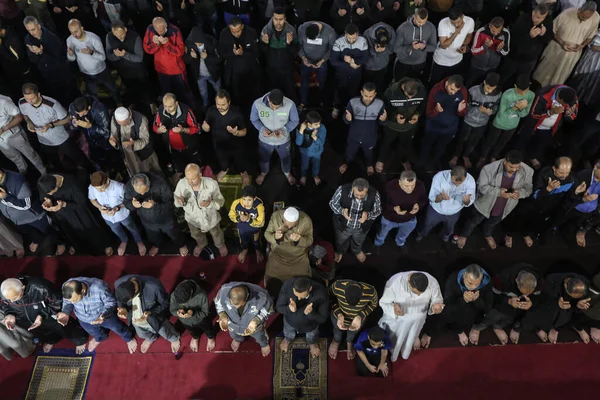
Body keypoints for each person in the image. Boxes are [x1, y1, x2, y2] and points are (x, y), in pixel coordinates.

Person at [457, 151, 534, 249]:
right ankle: (464, 235)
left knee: (492, 223)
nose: (514, 170)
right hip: (485, 203)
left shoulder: (528, 171)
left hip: (506, 206)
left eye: (517, 167)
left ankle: (487, 234)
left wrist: (520, 194)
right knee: (473, 221)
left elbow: (528, 189)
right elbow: (482, 187)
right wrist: (498, 192)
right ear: (505, 161)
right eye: (511, 167)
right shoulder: (489, 169)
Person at [0, 277, 88, 353]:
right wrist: (10, 314)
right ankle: (52, 340)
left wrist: (42, 315)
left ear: (23, 288)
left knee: (62, 325)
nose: (11, 301)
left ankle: (79, 340)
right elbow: (5, 306)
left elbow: (57, 302)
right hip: (26, 318)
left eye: (14, 298)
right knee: (41, 331)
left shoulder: (40, 287)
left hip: (48, 313)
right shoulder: (5, 292)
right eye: (9, 299)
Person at [19, 83, 92, 172]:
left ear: (38, 94)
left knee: (76, 156)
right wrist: (29, 123)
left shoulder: (52, 104)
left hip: (61, 137)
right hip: (43, 139)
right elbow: (25, 114)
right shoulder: (22, 102)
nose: (29, 101)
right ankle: (62, 175)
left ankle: (92, 171)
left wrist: (51, 125)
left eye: (32, 98)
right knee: (54, 160)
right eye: (27, 99)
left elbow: (67, 119)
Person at [38, 173, 114, 256]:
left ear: (56, 184)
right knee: (69, 230)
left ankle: (105, 244)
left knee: (91, 229)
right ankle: (76, 245)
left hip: (78, 212)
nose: (52, 194)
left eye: (52, 192)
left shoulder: (73, 185)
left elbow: (82, 203)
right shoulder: (45, 182)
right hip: (62, 214)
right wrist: (48, 200)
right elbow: (45, 195)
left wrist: (64, 204)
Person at [516, 157, 585, 246]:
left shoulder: (572, 179)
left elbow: (570, 198)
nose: (564, 176)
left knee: (546, 221)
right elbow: (535, 195)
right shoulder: (544, 174)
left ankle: (538, 233)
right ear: (554, 168)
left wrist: (576, 192)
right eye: (561, 172)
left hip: (553, 206)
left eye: (567, 172)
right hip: (536, 204)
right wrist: (548, 189)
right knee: (527, 217)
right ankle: (524, 233)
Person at [58, 278, 138, 354]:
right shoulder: (67, 286)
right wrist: (65, 313)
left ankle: (129, 338)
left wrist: (103, 316)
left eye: (75, 300)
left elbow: (112, 303)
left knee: (118, 328)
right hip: (83, 318)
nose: (73, 303)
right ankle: (99, 338)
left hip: (103, 315)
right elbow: (68, 302)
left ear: (83, 290)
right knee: (94, 332)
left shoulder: (100, 288)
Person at [421, 264, 493, 347]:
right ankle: (452, 330)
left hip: (473, 312)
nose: (473, 287)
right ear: (464, 275)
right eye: (470, 283)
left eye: (477, 284)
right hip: (455, 309)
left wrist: (476, 300)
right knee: (442, 312)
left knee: (486, 314)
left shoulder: (486, 281)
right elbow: (447, 304)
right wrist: (464, 300)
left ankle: (471, 328)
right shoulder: (453, 279)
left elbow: (488, 306)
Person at [377, 271, 443, 360]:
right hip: (399, 322)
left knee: (411, 338)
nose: (419, 295)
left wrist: (435, 306)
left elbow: (437, 299)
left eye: (421, 293)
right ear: (408, 282)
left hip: (417, 322)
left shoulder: (432, 281)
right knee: (394, 343)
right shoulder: (394, 282)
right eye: (416, 292)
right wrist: (393, 309)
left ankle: (414, 339)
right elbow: (383, 303)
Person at [532, 2, 600, 87]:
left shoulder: (595, 17)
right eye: (583, 16)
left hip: (571, 56)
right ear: (579, 10)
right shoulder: (566, 14)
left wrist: (582, 45)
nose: (584, 19)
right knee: (542, 76)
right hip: (555, 50)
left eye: (587, 18)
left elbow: (591, 35)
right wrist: (562, 43)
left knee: (558, 80)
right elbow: (551, 31)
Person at [475, 263, 542, 345]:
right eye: (523, 293)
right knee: (493, 314)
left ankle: (498, 327)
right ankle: (478, 327)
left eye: (528, 294)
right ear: (516, 280)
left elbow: (539, 298)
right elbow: (492, 296)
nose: (525, 296)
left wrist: (531, 303)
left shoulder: (540, 281)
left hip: (517, 312)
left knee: (531, 312)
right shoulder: (502, 279)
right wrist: (508, 301)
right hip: (501, 304)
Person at [0, 169, 64, 255]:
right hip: (17, 220)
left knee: (50, 230)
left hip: (34, 216)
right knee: (30, 231)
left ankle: (60, 242)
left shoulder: (17, 181)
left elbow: (26, 205)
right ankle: (36, 240)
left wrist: (6, 197)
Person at [124, 173, 188, 256]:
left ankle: (181, 245)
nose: (142, 194)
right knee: (153, 236)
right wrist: (133, 205)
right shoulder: (129, 187)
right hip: (146, 219)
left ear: (149, 183)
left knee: (174, 233)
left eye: (145, 191)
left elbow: (170, 204)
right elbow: (126, 202)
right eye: (139, 192)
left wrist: (155, 205)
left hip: (165, 218)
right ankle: (157, 245)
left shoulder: (160, 184)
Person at [515, 85, 578, 169]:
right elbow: (533, 113)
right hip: (533, 124)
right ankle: (516, 158)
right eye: (564, 104)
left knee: (540, 143)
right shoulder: (544, 95)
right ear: (560, 100)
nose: (566, 106)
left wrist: (568, 114)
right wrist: (550, 112)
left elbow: (573, 116)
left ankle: (532, 156)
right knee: (523, 140)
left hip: (550, 128)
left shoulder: (572, 97)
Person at [115, 275, 181, 353]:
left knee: (165, 332)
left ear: (136, 290)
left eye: (130, 300)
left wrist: (151, 312)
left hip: (154, 318)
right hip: (136, 321)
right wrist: (122, 308)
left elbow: (165, 303)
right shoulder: (118, 283)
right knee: (142, 334)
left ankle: (174, 339)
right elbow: (120, 300)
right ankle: (150, 338)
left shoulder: (154, 287)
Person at [478, 75, 534, 167]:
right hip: (499, 122)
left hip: (512, 124)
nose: (523, 93)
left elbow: (524, 114)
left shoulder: (531, 95)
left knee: (502, 142)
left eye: (525, 90)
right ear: (515, 86)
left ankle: (494, 156)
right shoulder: (507, 94)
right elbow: (501, 113)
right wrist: (515, 107)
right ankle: (483, 157)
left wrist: (520, 109)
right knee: (490, 141)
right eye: (520, 91)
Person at [449, 73, 502, 169]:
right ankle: (455, 156)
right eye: (488, 87)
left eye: (492, 88)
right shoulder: (473, 91)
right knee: (462, 139)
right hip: (468, 120)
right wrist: (476, 109)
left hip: (482, 123)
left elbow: (495, 108)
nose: (489, 90)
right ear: (484, 82)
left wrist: (490, 112)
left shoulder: (497, 95)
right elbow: (466, 106)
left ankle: (466, 156)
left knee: (473, 141)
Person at [174, 163, 227, 257]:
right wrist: (179, 202)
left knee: (216, 233)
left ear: (200, 175)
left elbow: (221, 202)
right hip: (192, 219)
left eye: (193, 179)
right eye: (188, 178)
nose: (190, 182)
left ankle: (220, 245)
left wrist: (210, 203)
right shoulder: (182, 184)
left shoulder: (211, 184)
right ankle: (201, 244)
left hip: (210, 217)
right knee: (196, 234)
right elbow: (176, 201)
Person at [88, 171, 146, 256]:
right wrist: (99, 207)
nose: (99, 191)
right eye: (97, 189)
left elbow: (128, 201)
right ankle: (124, 240)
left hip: (123, 215)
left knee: (132, 228)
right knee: (116, 230)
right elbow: (92, 199)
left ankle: (139, 242)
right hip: (107, 217)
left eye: (102, 188)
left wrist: (117, 208)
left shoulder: (119, 187)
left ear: (107, 181)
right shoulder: (92, 187)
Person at [23, 16, 76, 107]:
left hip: (61, 72)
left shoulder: (52, 38)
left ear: (39, 26)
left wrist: (41, 53)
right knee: (57, 94)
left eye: (33, 29)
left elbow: (58, 59)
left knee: (69, 93)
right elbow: (32, 60)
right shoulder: (28, 39)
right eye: (29, 30)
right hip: (47, 74)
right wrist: (37, 54)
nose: (32, 33)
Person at [250, 89, 299, 185]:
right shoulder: (257, 104)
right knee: (264, 158)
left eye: (278, 107)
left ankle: (287, 173)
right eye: (273, 106)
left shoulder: (290, 104)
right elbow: (254, 119)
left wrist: (284, 130)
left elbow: (295, 121)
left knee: (286, 158)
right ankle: (263, 173)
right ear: (268, 99)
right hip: (265, 140)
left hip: (283, 140)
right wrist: (262, 129)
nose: (275, 109)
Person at [377, 77, 427, 173]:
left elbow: (423, 105)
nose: (410, 98)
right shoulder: (391, 91)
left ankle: (403, 159)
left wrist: (417, 114)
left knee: (405, 145)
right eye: (408, 96)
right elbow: (384, 107)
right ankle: (381, 160)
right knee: (386, 143)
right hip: (392, 125)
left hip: (409, 126)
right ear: (404, 88)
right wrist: (395, 116)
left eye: (413, 97)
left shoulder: (422, 90)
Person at [523, 273, 590, 344]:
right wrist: (556, 304)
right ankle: (538, 328)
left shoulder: (584, 283)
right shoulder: (550, 283)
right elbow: (539, 302)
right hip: (548, 306)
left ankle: (556, 328)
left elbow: (573, 308)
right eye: (571, 296)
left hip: (565, 313)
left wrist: (578, 305)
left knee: (574, 313)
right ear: (565, 285)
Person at [66, 19, 121, 105]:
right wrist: (71, 54)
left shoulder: (94, 38)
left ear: (82, 28)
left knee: (113, 88)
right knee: (93, 93)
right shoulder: (70, 40)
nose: (74, 35)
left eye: (76, 31)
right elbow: (72, 59)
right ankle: (98, 108)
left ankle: (119, 103)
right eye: (71, 32)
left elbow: (103, 57)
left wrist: (91, 52)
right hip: (86, 73)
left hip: (101, 70)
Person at [419, 75, 468, 169]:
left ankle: (433, 163)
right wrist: (436, 110)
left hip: (449, 128)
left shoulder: (462, 91)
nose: (453, 93)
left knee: (441, 148)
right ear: (447, 83)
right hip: (433, 126)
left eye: (456, 91)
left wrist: (460, 110)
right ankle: (421, 163)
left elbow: (463, 113)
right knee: (426, 145)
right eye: (451, 89)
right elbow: (428, 112)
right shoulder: (436, 89)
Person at [499, 5, 552, 89]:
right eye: (537, 17)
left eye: (542, 18)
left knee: (521, 83)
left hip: (530, 60)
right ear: (533, 12)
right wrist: (529, 36)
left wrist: (543, 35)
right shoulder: (522, 20)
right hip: (515, 57)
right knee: (504, 78)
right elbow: (514, 40)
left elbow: (548, 38)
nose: (539, 20)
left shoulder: (547, 21)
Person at [201, 90, 249, 185]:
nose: (220, 107)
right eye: (218, 104)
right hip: (219, 144)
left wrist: (236, 132)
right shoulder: (211, 110)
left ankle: (243, 173)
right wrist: (205, 127)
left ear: (229, 102)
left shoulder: (236, 113)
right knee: (222, 161)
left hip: (235, 145)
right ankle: (224, 170)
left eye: (223, 104)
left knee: (240, 162)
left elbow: (244, 132)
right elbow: (205, 126)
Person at [215, 281, 274, 357]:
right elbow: (218, 303)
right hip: (233, 326)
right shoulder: (223, 291)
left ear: (246, 298)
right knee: (234, 335)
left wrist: (257, 320)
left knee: (260, 337)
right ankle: (238, 339)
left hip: (254, 327)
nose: (234, 307)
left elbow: (269, 310)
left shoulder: (262, 296)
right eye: (231, 304)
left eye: (238, 305)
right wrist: (222, 314)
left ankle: (264, 344)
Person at [417, 166, 476, 242]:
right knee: (426, 225)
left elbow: (469, 201)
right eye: (454, 182)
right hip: (436, 210)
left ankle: (445, 236)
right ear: (450, 174)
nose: (457, 185)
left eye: (460, 183)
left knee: (449, 229)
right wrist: (441, 197)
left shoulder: (470, 181)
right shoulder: (439, 177)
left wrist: (466, 201)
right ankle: (421, 234)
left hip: (454, 212)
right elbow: (432, 197)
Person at [330, 178, 381, 263]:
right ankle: (340, 251)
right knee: (340, 241)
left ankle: (356, 251)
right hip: (343, 225)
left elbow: (378, 211)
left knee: (358, 241)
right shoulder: (342, 189)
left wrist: (368, 215)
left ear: (367, 190)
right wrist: (342, 211)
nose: (359, 197)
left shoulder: (375, 194)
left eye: (362, 195)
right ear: (352, 188)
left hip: (361, 227)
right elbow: (332, 203)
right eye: (357, 194)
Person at [340, 82, 386, 176]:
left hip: (370, 137)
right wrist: (347, 119)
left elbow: (383, 122)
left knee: (369, 153)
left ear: (375, 94)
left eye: (371, 96)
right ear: (361, 92)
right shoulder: (353, 102)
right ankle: (346, 163)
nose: (368, 98)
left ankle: (369, 165)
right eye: (366, 95)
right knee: (350, 151)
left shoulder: (380, 103)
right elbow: (345, 119)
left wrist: (383, 120)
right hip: (354, 136)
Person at [276, 276, 329, 358]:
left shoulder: (321, 293)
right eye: (296, 295)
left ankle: (312, 343)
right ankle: (287, 339)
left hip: (310, 325)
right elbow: (279, 307)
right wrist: (289, 308)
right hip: (290, 321)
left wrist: (311, 313)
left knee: (311, 336)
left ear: (310, 289)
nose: (299, 299)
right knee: (288, 332)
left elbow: (323, 318)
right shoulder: (288, 285)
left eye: (302, 296)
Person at [143, 17, 192, 106]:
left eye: (161, 31)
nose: (159, 33)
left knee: (184, 94)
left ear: (166, 26)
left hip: (177, 70)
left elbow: (180, 52)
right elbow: (147, 49)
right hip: (162, 70)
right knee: (167, 94)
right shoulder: (150, 29)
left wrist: (167, 44)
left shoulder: (175, 31)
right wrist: (156, 44)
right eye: (157, 31)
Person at [374, 171, 427, 252]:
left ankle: (400, 243)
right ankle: (378, 243)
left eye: (413, 185)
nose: (410, 189)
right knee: (382, 233)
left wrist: (418, 206)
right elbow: (382, 203)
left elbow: (423, 199)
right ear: (400, 182)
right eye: (406, 186)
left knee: (404, 234)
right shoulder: (389, 187)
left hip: (409, 219)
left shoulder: (420, 185)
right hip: (390, 219)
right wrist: (394, 209)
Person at [106, 20, 151, 111]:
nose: (119, 37)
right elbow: (109, 56)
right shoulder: (109, 37)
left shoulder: (135, 37)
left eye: (121, 35)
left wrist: (125, 55)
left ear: (125, 29)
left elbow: (139, 58)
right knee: (130, 88)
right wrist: (116, 55)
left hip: (137, 70)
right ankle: (134, 104)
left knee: (144, 87)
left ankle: (149, 104)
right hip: (123, 70)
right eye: (116, 35)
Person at [328, 279, 378, 360]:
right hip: (338, 316)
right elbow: (330, 298)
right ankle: (336, 340)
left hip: (358, 320)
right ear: (344, 293)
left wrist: (360, 316)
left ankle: (349, 342)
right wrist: (339, 314)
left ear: (362, 294)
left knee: (353, 333)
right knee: (337, 330)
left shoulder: (371, 291)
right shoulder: (337, 286)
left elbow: (374, 304)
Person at [153, 93, 200, 175]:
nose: (167, 109)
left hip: (189, 147)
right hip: (173, 149)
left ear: (176, 103)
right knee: (179, 168)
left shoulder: (186, 111)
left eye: (170, 106)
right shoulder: (160, 111)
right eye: (165, 106)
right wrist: (159, 130)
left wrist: (183, 130)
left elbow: (196, 129)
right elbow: (155, 127)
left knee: (195, 168)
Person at [264, 206, 314, 284]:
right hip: (278, 255)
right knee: (272, 282)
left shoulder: (306, 220)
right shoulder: (276, 216)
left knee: (302, 283)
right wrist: (275, 237)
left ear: (297, 221)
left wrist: (299, 240)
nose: (289, 227)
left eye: (292, 225)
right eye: (287, 225)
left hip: (298, 257)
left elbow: (310, 241)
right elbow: (267, 234)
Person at [219, 17, 260, 108]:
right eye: (233, 31)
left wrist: (243, 53)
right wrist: (232, 53)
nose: (236, 34)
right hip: (233, 70)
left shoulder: (251, 32)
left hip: (250, 69)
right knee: (236, 94)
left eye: (238, 31)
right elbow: (221, 52)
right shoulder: (224, 34)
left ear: (242, 26)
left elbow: (257, 52)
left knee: (252, 92)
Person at [69, 95, 117, 172]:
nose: (80, 116)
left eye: (83, 113)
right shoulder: (72, 107)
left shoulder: (100, 110)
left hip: (102, 138)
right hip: (89, 137)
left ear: (89, 108)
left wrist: (91, 126)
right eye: (78, 113)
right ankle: (100, 165)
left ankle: (112, 166)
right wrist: (74, 125)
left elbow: (106, 131)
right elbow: (72, 123)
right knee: (95, 153)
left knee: (109, 153)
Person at [110, 107, 162, 177]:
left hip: (143, 153)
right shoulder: (114, 118)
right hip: (127, 154)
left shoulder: (141, 119)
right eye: (119, 124)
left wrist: (134, 143)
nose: (121, 126)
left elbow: (145, 140)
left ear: (128, 118)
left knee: (151, 173)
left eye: (124, 124)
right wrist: (113, 140)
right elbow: (114, 133)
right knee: (134, 172)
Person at [260, 8, 298, 102]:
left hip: (287, 69)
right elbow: (262, 52)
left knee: (290, 92)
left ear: (285, 19)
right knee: (273, 93)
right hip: (272, 69)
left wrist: (289, 44)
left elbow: (295, 51)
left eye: (280, 19)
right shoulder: (265, 30)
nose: (278, 22)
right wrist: (265, 44)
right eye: (276, 19)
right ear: (272, 18)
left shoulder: (291, 31)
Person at [330, 23, 368, 119]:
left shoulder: (363, 40)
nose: (351, 40)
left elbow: (365, 58)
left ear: (357, 34)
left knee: (353, 91)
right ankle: (336, 107)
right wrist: (349, 64)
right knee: (339, 91)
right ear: (345, 34)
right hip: (341, 73)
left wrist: (352, 61)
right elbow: (333, 61)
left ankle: (351, 110)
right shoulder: (339, 41)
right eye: (349, 38)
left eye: (354, 38)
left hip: (356, 73)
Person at [0, 94, 45, 175]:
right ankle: (23, 172)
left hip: (14, 135)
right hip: (1, 141)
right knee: (14, 157)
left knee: (31, 155)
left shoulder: (3, 102)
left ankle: (43, 172)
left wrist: (3, 129)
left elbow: (19, 116)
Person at [558, 161, 600, 247]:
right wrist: (583, 198)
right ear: (595, 167)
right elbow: (568, 195)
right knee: (568, 236)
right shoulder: (581, 176)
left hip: (591, 211)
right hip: (575, 207)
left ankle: (582, 231)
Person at [298, 21, 337, 110]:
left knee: (322, 83)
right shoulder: (301, 28)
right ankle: (303, 102)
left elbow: (332, 49)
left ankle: (322, 101)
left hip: (322, 61)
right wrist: (303, 58)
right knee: (304, 82)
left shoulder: (330, 32)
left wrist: (322, 60)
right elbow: (299, 45)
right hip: (306, 60)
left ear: (319, 33)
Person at [170, 279, 217, 352]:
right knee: (192, 331)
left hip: (202, 319)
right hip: (185, 321)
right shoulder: (174, 294)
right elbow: (172, 310)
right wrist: (177, 312)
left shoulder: (201, 295)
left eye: (184, 303)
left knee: (209, 329)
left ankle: (210, 338)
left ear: (191, 292)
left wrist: (193, 313)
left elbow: (205, 313)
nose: (183, 305)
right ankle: (195, 337)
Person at [430, 8, 475, 85]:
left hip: (457, 60)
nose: (456, 25)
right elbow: (444, 45)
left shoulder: (470, 21)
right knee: (435, 83)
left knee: (450, 83)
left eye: (458, 22)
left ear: (462, 16)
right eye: (453, 23)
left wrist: (464, 45)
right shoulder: (443, 23)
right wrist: (457, 32)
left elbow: (469, 36)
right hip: (441, 60)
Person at [184, 24, 221, 109]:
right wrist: (191, 56)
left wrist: (207, 57)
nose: (197, 43)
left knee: (219, 91)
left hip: (213, 74)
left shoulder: (212, 42)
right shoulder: (189, 44)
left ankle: (220, 106)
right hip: (200, 75)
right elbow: (186, 60)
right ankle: (205, 106)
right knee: (203, 93)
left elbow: (219, 59)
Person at [394, 8, 437, 81]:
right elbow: (396, 48)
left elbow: (433, 47)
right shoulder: (403, 28)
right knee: (398, 82)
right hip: (403, 62)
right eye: (419, 21)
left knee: (413, 83)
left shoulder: (431, 27)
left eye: (424, 22)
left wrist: (424, 47)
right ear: (414, 17)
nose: (421, 24)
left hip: (420, 63)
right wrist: (411, 47)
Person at [467, 17, 510, 87]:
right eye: (493, 31)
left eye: (498, 31)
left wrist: (500, 50)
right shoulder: (481, 32)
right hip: (477, 66)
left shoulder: (505, 33)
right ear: (490, 25)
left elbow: (506, 51)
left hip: (492, 67)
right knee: (471, 84)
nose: (496, 33)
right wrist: (484, 46)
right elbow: (473, 50)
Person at [0, 19, 37, 101]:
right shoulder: (3, 38)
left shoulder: (12, 38)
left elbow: (16, 57)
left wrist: (1, 47)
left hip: (23, 71)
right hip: (12, 71)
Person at [229, 186, 265, 264]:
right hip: (242, 229)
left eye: (249, 200)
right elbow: (231, 215)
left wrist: (249, 219)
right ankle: (245, 250)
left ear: (254, 199)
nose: (246, 203)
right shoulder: (236, 203)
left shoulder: (259, 207)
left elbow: (261, 222)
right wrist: (238, 218)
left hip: (255, 230)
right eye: (244, 199)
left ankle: (258, 251)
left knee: (256, 242)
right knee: (243, 241)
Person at [568, 28, 600, 108]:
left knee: (589, 97)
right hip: (590, 66)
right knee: (577, 90)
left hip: (596, 74)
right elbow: (594, 46)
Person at [363, 21, 395, 94]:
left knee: (378, 86)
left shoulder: (391, 31)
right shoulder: (367, 33)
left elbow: (392, 48)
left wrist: (384, 50)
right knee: (367, 86)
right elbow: (364, 51)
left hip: (382, 65)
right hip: (369, 66)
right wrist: (374, 50)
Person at [296, 111, 326, 185]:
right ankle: (304, 175)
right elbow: (298, 143)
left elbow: (322, 143)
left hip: (317, 151)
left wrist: (314, 137)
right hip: (305, 152)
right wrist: (301, 131)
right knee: (304, 164)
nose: (318, 125)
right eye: (316, 124)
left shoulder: (322, 128)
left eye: (319, 123)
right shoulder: (301, 128)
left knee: (316, 164)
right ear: (309, 124)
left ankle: (315, 175)